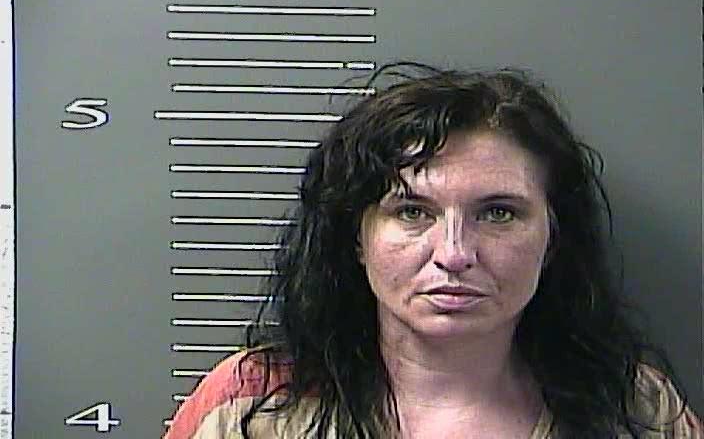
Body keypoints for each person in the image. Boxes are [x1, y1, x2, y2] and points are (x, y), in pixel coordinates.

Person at [163, 62, 703, 438]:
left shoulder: (636, 408)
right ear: (357, 236)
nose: (454, 254)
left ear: (553, 236)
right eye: (412, 212)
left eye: (498, 213)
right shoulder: (251, 405)